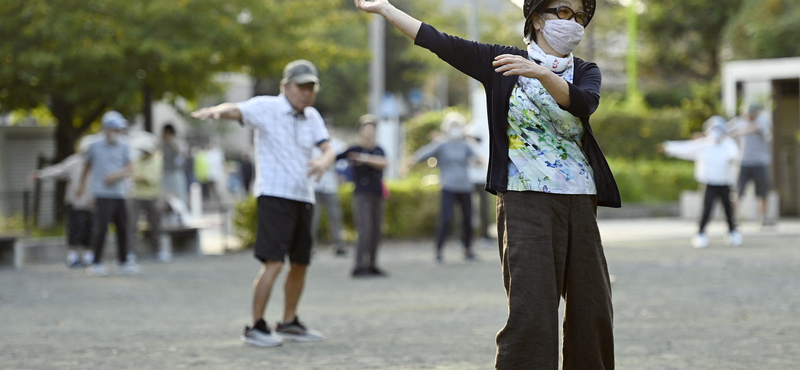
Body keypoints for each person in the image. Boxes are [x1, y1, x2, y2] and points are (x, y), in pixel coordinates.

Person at [355, 0, 620, 368]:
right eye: (564, 11)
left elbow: (583, 103)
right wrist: (385, 8)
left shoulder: (585, 70)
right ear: (538, 17)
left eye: (580, 15)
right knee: (532, 313)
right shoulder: (499, 61)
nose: (573, 22)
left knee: (592, 309)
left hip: (579, 198)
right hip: (524, 200)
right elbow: (437, 40)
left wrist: (540, 73)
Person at [191, 59, 334, 348]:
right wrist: (215, 112)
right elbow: (235, 109)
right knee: (273, 262)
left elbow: (328, 148)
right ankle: (255, 326)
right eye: (301, 87)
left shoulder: (313, 116)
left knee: (301, 262)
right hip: (274, 195)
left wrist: (322, 161)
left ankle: (289, 322)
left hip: (303, 197)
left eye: (311, 88)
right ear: (286, 86)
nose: (306, 93)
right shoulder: (267, 107)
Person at [662, 116, 742, 248]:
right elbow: (686, 148)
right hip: (709, 183)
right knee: (706, 209)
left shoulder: (728, 143)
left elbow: (735, 155)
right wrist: (669, 147)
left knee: (728, 209)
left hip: (724, 183)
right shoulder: (704, 144)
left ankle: (733, 232)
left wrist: (733, 159)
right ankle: (700, 234)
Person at [77, 111, 140, 276]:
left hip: (120, 193)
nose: (118, 133)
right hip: (102, 193)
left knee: (123, 229)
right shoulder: (94, 145)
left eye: (119, 130)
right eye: (115, 129)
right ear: (106, 129)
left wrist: (116, 175)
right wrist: (81, 186)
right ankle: (96, 262)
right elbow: (87, 166)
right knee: (100, 229)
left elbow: (130, 166)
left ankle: (124, 261)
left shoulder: (125, 144)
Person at [411, 112, 478, 263]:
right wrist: (412, 160)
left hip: (465, 186)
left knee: (468, 219)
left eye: (458, 126)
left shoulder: (465, 144)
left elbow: (476, 157)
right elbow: (424, 153)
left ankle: (468, 250)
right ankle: (439, 250)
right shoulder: (442, 144)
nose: (455, 129)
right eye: (452, 126)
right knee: (446, 218)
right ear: (447, 128)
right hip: (448, 186)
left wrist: (480, 161)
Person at [31, 137, 96, 267]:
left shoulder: (99, 163)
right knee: (74, 230)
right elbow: (58, 171)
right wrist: (41, 175)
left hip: (93, 204)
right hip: (75, 203)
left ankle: (89, 257)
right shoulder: (74, 162)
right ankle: (73, 257)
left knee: (91, 231)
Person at [337, 115, 389, 277]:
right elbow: (335, 158)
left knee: (375, 231)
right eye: (366, 129)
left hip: (376, 194)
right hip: (361, 195)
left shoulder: (378, 150)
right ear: (360, 131)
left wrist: (364, 159)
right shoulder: (354, 149)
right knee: (365, 229)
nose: (368, 132)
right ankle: (359, 266)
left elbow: (384, 162)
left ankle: (372, 264)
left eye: (371, 129)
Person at [729, 103, 773, 226]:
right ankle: (733, 218)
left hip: (760, 162)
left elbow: (759, 129)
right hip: (744, 161)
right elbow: (727, 131)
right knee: (738, 191)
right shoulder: (738, 121)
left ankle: (763, 218)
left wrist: (740, 130)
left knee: (762, 192)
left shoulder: (762, 121)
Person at [130, 140, 169, 261]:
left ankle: (158, 251)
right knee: (132, 224)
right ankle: (129, 252)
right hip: (136, 195)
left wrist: (139, 177)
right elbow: (133, 176)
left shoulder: (156, 162)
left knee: (155, 225)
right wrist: (139, 177)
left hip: (152, 196)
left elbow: (150, 179)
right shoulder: (137, 161)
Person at [311, 130, 348, 256]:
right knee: (313, 217)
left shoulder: (336, 144)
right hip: (313, 185)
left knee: (335, 216)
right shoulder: (310, 143)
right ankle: (310, 246)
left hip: (330, 185)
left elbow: (344, 160)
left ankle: (339, 245)